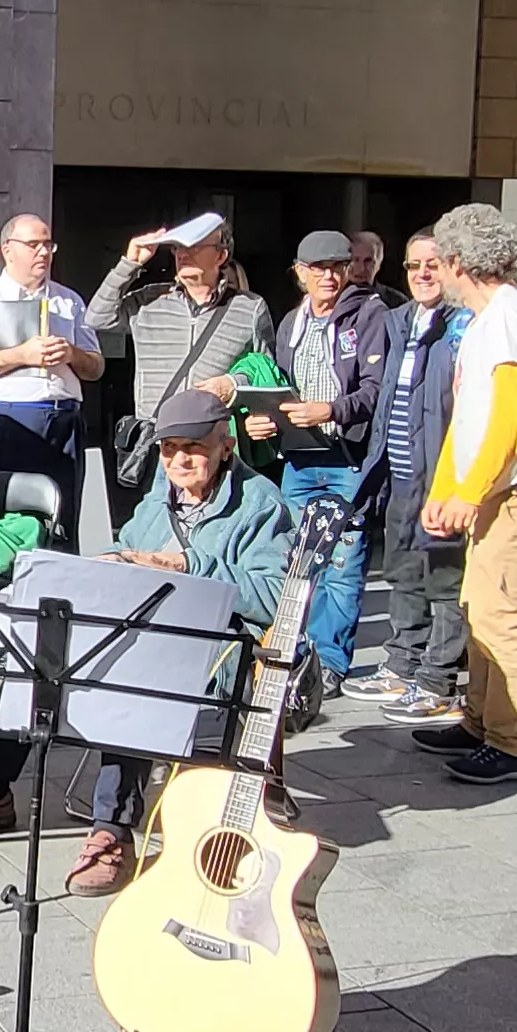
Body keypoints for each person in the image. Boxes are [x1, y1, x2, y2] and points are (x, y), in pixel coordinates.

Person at [44, 387, 292, 895]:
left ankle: (180, 841)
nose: (179, 458)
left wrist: (189, 565)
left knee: (147, 691)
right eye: (168, 447)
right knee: (120, 681)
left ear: (226, 444)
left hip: (220, 656)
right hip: (152, 647)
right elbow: (131, 546)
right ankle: (110, 833)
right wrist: (111, 561)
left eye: (194, 447)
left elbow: (272, 599)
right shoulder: (158, 498)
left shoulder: (261, 503)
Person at [401, 206, 517, 786]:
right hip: (498, 491)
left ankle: (509, 741)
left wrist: (469, 490)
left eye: (439, 262)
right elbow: (470, 421)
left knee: (498, 612)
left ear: (457, 262)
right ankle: (480, 722)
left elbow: (510, 416)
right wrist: (448, 489)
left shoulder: (509, 318)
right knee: (478, 606)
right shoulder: (487, 320)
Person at [225, 230, 390, 690]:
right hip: (299, 457)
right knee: (294, 560)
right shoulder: (292, 323)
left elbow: (378, 391)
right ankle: (295, 657)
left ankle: (330, 664)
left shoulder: (371, 315)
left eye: (337, 267)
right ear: (299, 274)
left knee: (342, 560)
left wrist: (331, 410)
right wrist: (264, 423)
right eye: (317, 269)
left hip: (348, 457)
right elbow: (283, 391)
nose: (328, 276)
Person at [343, 231, 468, 727]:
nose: (422, 274)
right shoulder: (398, 323)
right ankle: (402, 663)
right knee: (401, 571)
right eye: (414, 265)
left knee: (444, 579)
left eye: (432, 264)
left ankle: (439, 679)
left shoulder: (462, 326)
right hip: (397, 470)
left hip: (441, 475)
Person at [88, 215, 269, 523]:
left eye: (194, 247)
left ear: (221, 255)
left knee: (210, 526)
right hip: (157, 439)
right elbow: (97, 318)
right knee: (151, 530)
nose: (182, 254)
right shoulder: (149, 301)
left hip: (210, 442)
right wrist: (129, 263)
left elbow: (263, 367)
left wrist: (233, 382)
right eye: (176, 248)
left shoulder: (249, 307)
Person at [0, 214, 104, 550]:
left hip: (63, 419)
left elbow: (95, 367)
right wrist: (21, 355)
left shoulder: (70, 301)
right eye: (33, 244)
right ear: (8, 250)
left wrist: (71, 353)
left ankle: (56, 595)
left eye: (48, 244)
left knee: (61, 519)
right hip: (7, 419)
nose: (43, 252)